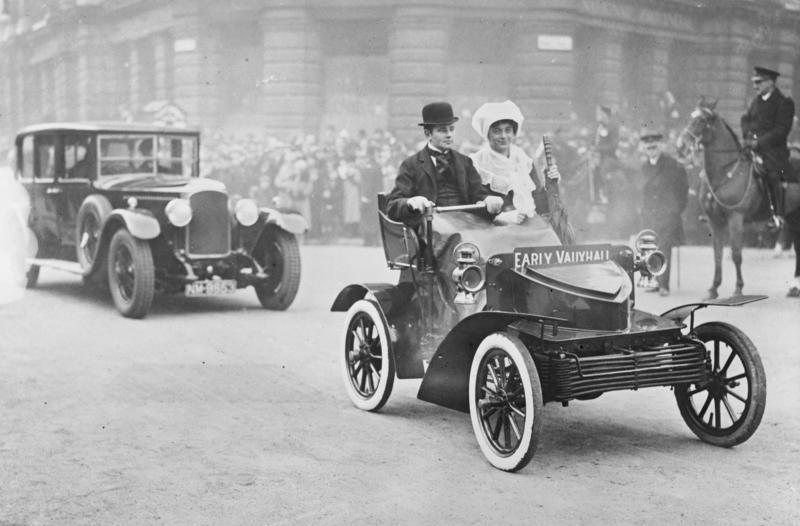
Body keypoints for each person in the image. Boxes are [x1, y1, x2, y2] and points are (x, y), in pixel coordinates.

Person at [385, 101, 503, 223]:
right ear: (427, 133)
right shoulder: (411, 165)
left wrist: (488, 199)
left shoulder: (465, 162)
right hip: (431, 226)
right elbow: (392, 205)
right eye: (442, 130)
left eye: (451, 129)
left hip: (466, 222)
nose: (449, 135)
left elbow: (478, 194)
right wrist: (410, 202)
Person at [468, 100, 561, 225]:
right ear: (487, 134)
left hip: (527, 225)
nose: (504, 136)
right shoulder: (476, 164)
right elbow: (472, 205)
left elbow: (540, 204)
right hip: (491, 229)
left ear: (514, 132)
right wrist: (500, 217)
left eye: (508, 130)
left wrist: (551, 182)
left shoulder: (524, 161)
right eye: (496, 131)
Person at [741, 66, 795, 225]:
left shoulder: (784, 102)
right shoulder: (755, 101)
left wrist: (760, 142)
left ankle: (777, 215)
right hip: (752, 146)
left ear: (770, 83)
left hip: (773, 151)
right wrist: (747, 136)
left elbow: (781, 130)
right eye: (754, 82)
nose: (755, 86)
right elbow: (745, 119)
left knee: (772, 175)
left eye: (759, 82)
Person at [639, 128, 688, 297]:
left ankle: (664, 285)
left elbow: (683, 190)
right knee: (650, 249)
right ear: (644, 149)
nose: (651, 150)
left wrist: (676, 210)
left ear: (660, 146)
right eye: (648, 147)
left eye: (654, 147)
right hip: (649, 215)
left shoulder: (672, 166)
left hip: (667, 214)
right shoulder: (644, 168)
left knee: (664, 248)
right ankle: (655, 281)